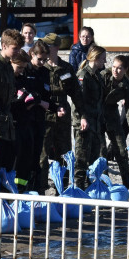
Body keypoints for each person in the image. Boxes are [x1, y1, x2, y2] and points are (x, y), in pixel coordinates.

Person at [39, 32, 81, 173]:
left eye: (47, 45)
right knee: (42, 152)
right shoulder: (40, 67)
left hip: (63, 112)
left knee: (64, 151)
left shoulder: (66, 68)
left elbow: (76, 93)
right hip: (44, 112)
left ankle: (62, 187)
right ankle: (42, 188)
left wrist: (83, 115)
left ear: (56, 47)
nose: (43, 47)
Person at [12, 44, 51, 193]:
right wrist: (28, 102)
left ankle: (34, 190)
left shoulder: (44, 73)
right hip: (22, 121)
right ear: (32, 55)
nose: (42, 63)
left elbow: (47, 96)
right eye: (40, 59)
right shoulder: (21, 73)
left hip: (37, 120)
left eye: (45, 60)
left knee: (34, 158)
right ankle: (20, 190)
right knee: (20, 160)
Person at [72, 45, 106, 190]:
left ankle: (89, 188)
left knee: (93, 158)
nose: (105, 61)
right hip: (84, 122)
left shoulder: (97, 75)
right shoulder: (83, 75)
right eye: (103, 58)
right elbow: (78, 101)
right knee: (81, 159)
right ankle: (78, 189)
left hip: (95, 122)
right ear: (96, 58)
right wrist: (83, 118)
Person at [101, 54, 129, 187]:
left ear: (125, 69)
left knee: (121, 151)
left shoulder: (126, 85)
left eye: (119, 68)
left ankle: (127, 184)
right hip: (98, 114)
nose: (115, 70)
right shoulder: (103, 75)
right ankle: (104, 184)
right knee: (101, 152)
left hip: (112, 115)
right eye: (114, 67)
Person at [0, 29, 21, 172]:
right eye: (14, 49)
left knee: (9, 162)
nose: (17, 52)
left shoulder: (9, 66)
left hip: (8, 123)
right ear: (4, 46)